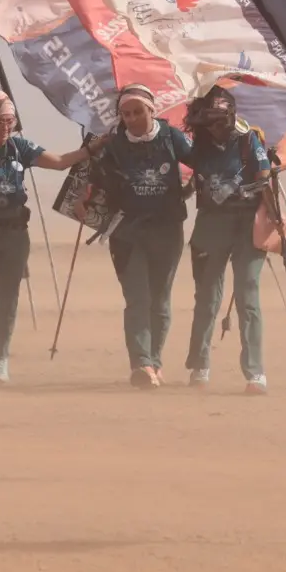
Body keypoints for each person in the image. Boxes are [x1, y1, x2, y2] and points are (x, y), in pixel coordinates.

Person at [0, 91, 87, 384]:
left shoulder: (20, 147)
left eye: (10, 120)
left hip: (14, 234)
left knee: (8, 299)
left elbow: (59, 162)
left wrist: (92, 149)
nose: (6, 127)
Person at [88, 84, 192, 388]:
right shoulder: (114, 144)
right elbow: (95, 182)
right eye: (126, 113)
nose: (132, 118)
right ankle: (142, 364)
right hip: (126, 232)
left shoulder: (172, 138)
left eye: (137, 112)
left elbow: (201, 162)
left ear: (152, 110)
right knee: (137, 298)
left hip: (167, 229)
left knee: (160, 299)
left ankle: (154, 361)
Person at [182, 85, 272, 395]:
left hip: (247, 224)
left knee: (248, 294)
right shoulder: (199, 146)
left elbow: (265, 180)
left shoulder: (249, 140)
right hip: (210, 224)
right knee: (207, 297)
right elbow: (194, 181)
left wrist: (277, 226)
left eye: (220, 120)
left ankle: (255, 372)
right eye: (209, 121)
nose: (215, 127)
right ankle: (200, 363)